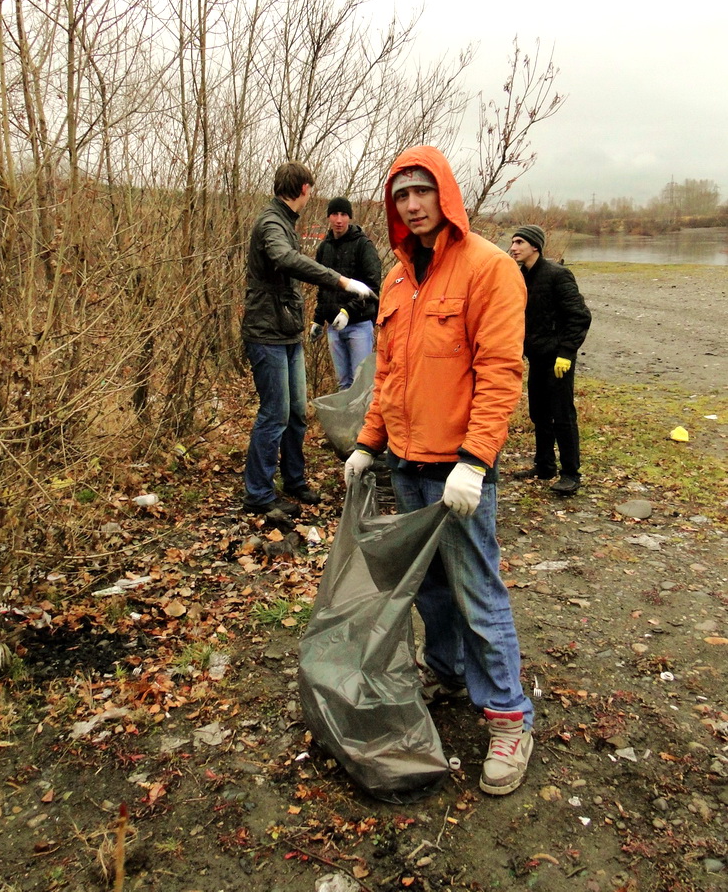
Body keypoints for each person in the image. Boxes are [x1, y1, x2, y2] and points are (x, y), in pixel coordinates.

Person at [344, 146, 534, 796]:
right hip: (407, 463)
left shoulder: (489, 268)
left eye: (423, 191)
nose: (413, 204)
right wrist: (368, 445)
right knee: (426, 588)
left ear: (445, 195)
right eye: (402, 195)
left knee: (477, 591)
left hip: (459, 472)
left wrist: (476, 461)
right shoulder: (396, 281)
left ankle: (509, 718)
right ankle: (447, 673)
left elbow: (501, 373)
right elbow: (390, 375)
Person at [241, 162, 375, 517]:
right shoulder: (272, 221)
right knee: (274, 414)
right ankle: (258, 493)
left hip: (286, 331)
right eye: (311, 190)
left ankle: (294, 480)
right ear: (303, 189)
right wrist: (341, 281)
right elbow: (284, 259)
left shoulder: (285, 222)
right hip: (265, 333)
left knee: (296, 412)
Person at [509, 225, 592, 495]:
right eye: (513, 243)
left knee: (563, 415)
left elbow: (579, 316)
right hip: (536, 356)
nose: (514, 247)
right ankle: (545, 466)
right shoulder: (520, 277)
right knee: (539, 413)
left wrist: (567, 352)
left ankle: (571, 473)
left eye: (519, 242)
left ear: (535, 246)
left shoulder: (558, 274)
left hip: (558, 359)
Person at [309, 197, 382, 389]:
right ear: (329, 217)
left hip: (359, 325)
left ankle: (364, 420)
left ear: (349, 217)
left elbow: (372, 288)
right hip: (334, 326)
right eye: (335, 214)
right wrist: (317, 319)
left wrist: (348, 311)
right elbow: (322, 286)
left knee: (361, 384)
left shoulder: (363, 245)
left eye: (343, 214)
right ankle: (347, 420)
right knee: (343, 383)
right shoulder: (324, 248)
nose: (339, 219)